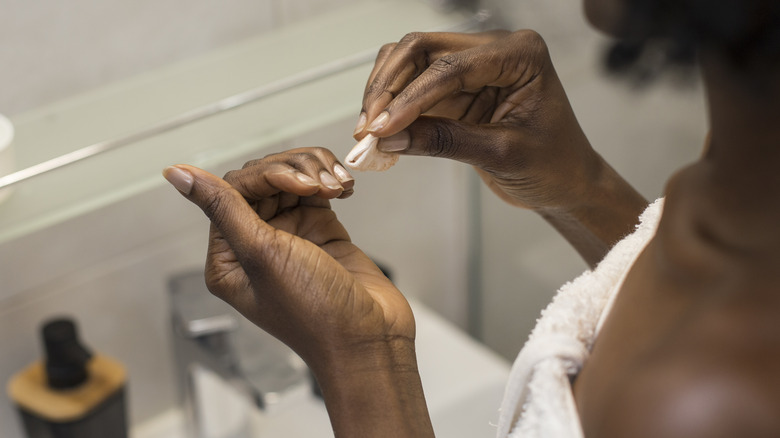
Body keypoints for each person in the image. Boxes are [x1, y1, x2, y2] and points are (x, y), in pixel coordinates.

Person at [162, 0, 780, 435]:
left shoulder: (703, 407)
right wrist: (582, 189)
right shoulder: (739, 180)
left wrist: (363, 359)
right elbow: (677, 301)